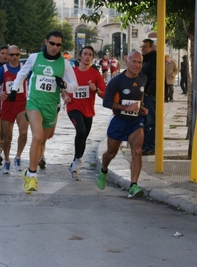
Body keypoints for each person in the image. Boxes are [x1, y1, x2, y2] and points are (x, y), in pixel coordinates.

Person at [10, 30, 78, 193]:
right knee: (37, 136)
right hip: (34, 103)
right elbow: (22, 73)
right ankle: (32, 176)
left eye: (58, 44)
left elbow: (74, 85)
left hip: (51, 106)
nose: (55, 47)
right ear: (46, 42)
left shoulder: (64, 63)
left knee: (43, 139)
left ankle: (28, 171)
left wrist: (63, 85)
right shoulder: (34, 58)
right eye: (52, 43)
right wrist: (14, 89)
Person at [97, 51, 148, 197]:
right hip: (118, 122)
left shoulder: (143, 79)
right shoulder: (116, 81)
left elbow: (140, 97)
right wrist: (126, 108)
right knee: (110, 153)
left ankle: (133, 186)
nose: (137, 65)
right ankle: (104, 170)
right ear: (127, 61)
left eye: (139, 62)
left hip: (135, 122)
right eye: (134, 62)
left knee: (137, 151)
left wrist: (141, 107)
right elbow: (106, 102)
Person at [64, 45, 106, 180]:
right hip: (73, 107)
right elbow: (62, 87)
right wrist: (65, 96)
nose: (88, 57)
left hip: (88, 111)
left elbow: (105, 94)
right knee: (80, 131)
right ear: (80, 57)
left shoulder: (95, 74)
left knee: (84, 136)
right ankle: (77, 163)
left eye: (90, 55)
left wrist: (95, 90)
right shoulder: (72, 72)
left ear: (93, 58)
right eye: (85, 54)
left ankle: (76, 161)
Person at [0, 45, 28, 174]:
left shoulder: (24, 69)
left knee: (23, 132)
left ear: (19, 55)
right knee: (7, 137)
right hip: (7, 105)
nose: (14, 57)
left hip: (22, 103)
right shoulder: (2, 70)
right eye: (11, 55)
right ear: (8, 56)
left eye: (17, 55)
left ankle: (18, 157)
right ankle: (6, 160)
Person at [140, 38, 157, 156]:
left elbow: (155, 77)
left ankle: (150, 146)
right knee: (143, 122)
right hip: (142, 95)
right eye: (142, 47)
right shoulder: (143, 59)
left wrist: (147, 92)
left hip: (149, 96)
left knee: (150, 122)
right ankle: (144, 145)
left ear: (152, 47)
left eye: (145, 47)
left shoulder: (154, 59)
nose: (143, 49)